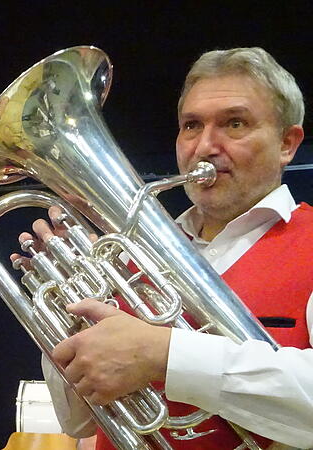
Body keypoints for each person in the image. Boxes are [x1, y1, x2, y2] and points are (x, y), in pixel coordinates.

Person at [18, 47, 312, 448]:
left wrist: (166, 354)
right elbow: (78, 422)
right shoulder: (128, 257)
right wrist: (69, 314)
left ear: (287, 144)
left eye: (235, 123)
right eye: (192, 125)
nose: (205, 146)